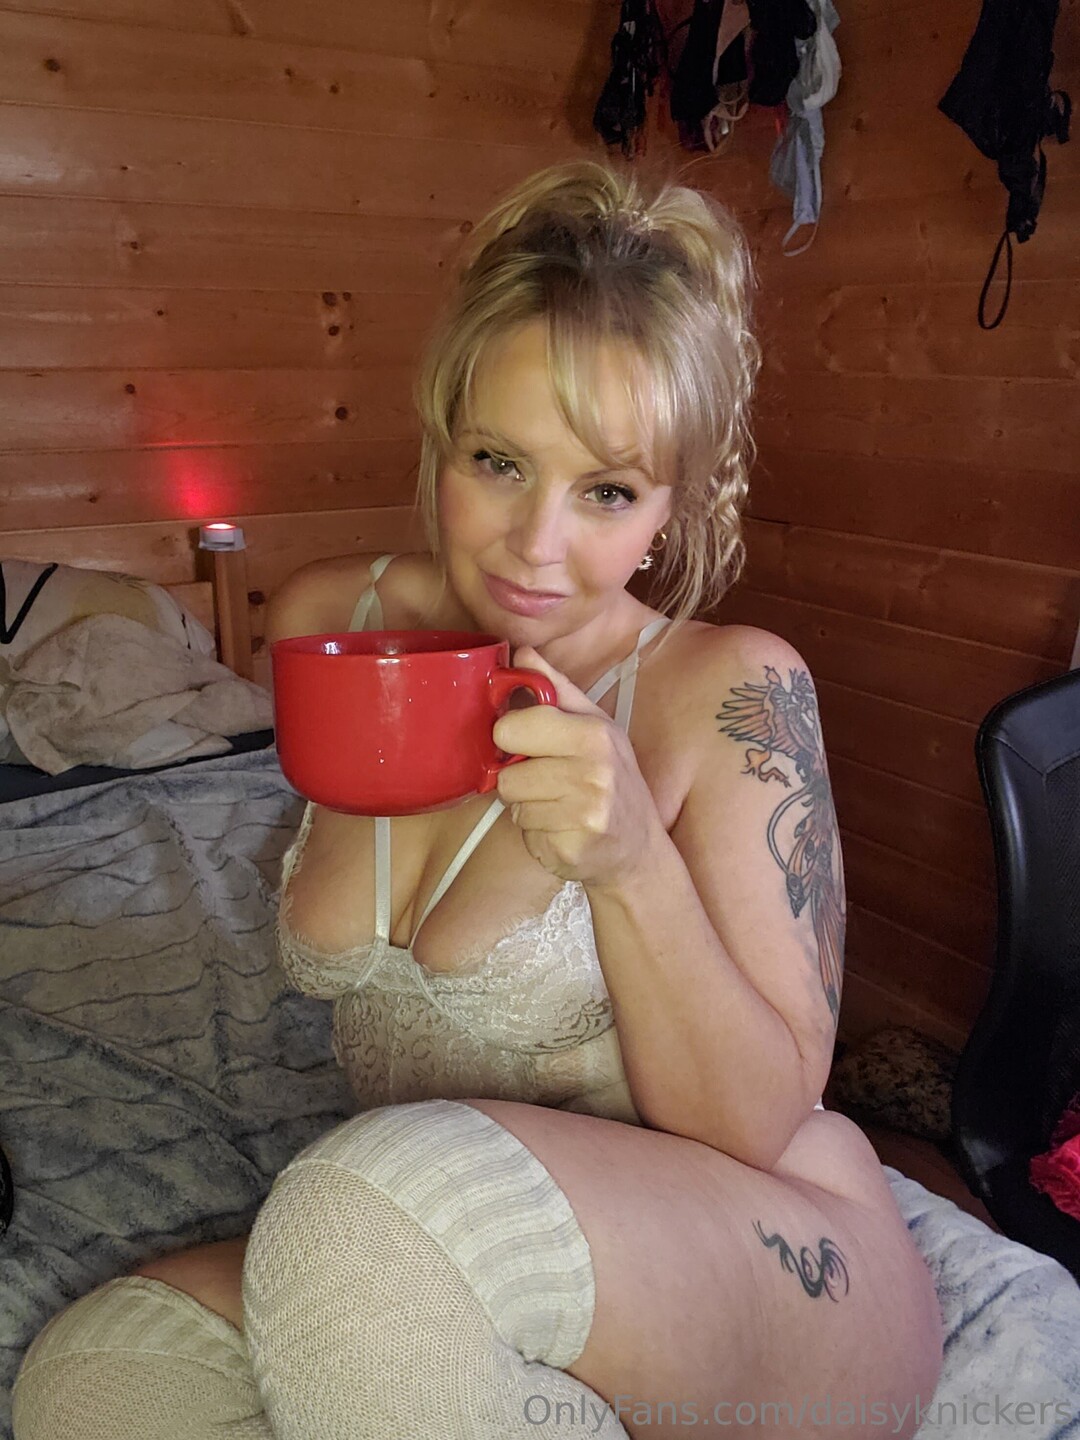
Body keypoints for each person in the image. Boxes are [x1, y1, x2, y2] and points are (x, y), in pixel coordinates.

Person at [13, 160, 943, 1439]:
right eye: (499, 461)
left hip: (770, 1254)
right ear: (440, 434)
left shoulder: (730, 693)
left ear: (672, 506)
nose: (535, 546)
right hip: (450, 1259)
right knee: (98, 1379)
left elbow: (760, 1120)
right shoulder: (333, 622)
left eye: (606, 491)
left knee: (356, 1222)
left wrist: (631, 864)